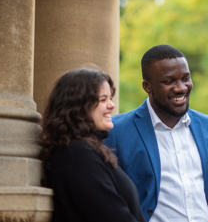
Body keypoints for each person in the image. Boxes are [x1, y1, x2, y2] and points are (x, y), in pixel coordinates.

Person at [103, 44, 208, 222]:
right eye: (169, 81)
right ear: (147, 86)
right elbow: (109, 201)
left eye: (185, 78)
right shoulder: (116, 132)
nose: (180, 88)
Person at [39, 68, 146, 222]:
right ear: (79, 107)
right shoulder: (78, 154)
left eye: (110, 98)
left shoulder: (83, 150)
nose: (111, 105)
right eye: (103, 100)